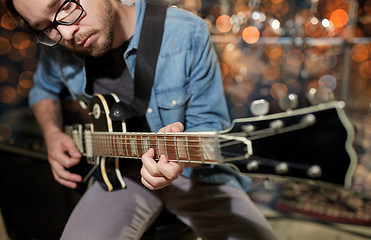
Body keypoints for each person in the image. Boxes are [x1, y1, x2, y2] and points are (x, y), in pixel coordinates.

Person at [1, 0, 278, 239]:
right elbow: (43, 90)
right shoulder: (58, 45)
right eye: (46, 27)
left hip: (196, 174)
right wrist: (52, 134)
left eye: (64, 6)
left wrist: (179, 159)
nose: (66, 32)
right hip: (115, 176)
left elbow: (209, 127)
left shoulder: (186, 33)